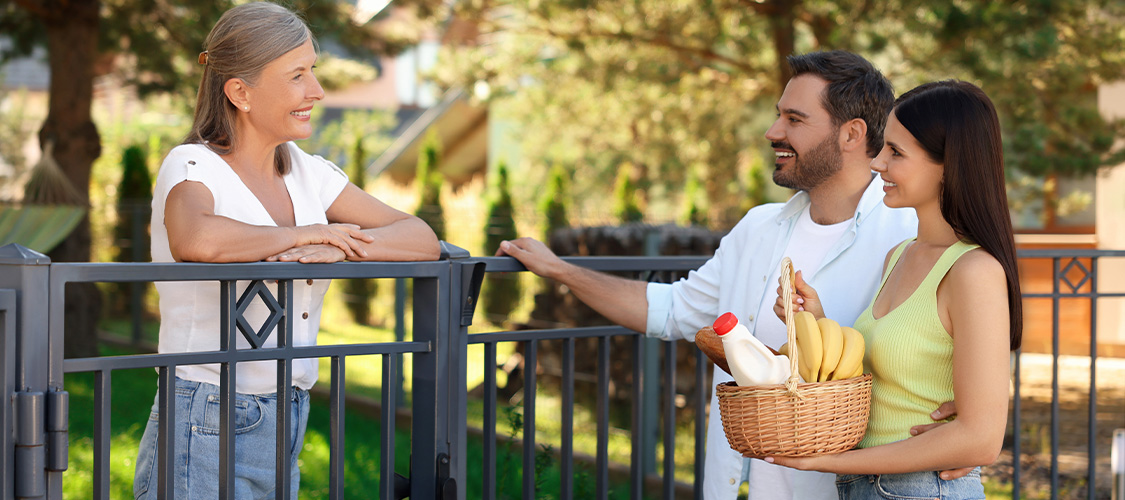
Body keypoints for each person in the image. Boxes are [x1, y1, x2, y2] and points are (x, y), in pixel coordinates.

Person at [497, 51, 971, 499]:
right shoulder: (758, 227)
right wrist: (561, 270)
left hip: (846, 489)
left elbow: (962, 332)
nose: (772, 132)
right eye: (778, 114)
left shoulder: (911, 234)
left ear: (851, 134)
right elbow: (673, 311)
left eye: (794, 119)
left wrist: (966, 423)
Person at [132, 3, 440, 499]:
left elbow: (421, 239)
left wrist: (344, 248)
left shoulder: (307, 171)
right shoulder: (192, 164)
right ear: (240, 92)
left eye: (313, 71)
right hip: (204, 413)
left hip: (288, 412)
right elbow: (196, 239)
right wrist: (307, 235)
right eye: (297, 75)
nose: (316, 91)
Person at [768, 80, 1022, 500]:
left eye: (896, 153)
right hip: (869, 488)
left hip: (922, 489)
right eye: (883, 147)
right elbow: (894, 382)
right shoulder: (899, 256)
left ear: (948, 165)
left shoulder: (973, 270)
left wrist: (828, 462)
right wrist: (816, 322)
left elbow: (980, 439)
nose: (877, 163)